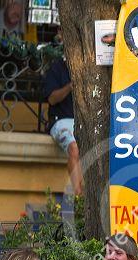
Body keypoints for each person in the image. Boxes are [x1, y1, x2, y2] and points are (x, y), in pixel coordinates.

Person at [44, 55, 83, 195]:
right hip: (61, 120)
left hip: (84, 122)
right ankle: (80, 199)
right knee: (74, 148)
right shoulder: (57, 67)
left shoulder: (89, 65)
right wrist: (71, 86)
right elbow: (52, 99)